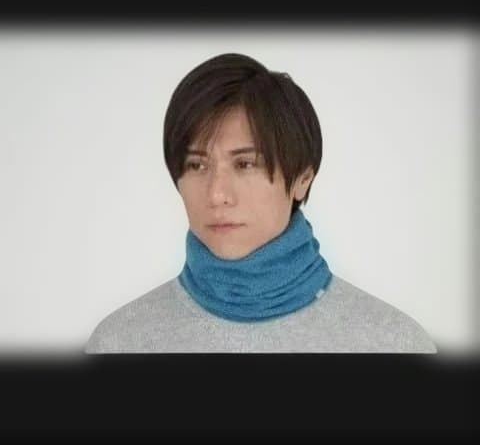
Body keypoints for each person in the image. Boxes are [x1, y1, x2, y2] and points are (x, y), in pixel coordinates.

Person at [85, 52, 437, 353]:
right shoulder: (119, 343)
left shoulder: (392, 344)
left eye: (245, 164)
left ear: (303, 178)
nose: (217, 194)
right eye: (196, 165)